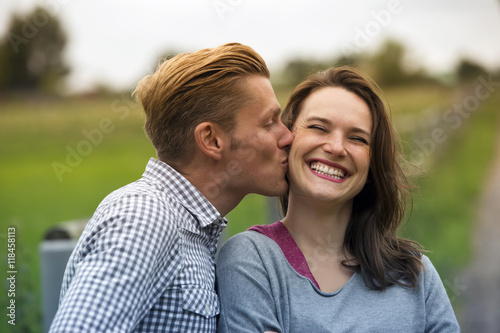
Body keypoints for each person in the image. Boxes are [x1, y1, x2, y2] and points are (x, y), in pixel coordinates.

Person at [49, 42, 293, 333]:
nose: (288, 136)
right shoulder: (145, 217)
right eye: (269, 123)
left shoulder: (187, 226)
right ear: (212, 140)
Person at [216, 67, 460, 332]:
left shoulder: (415, 272)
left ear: (371, 164)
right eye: (319, 127)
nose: (336, 147)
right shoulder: (250, 260)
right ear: (287, 139)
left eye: (357, 138)